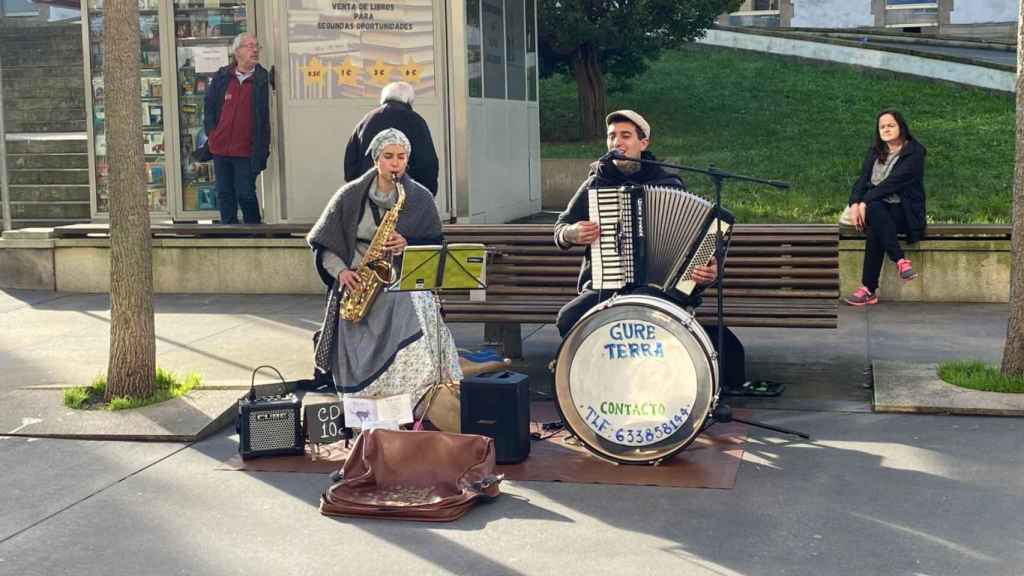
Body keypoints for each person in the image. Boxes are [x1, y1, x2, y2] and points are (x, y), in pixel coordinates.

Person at [553, 110, 751, 392]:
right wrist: (571, 233)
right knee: (568, 319)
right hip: (607, 286)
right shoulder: (596, 183)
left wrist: (709, 270)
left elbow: (701, 242)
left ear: (643, 143)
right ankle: (601, 379)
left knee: (643, 303)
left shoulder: (667, 183)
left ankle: (648, 384)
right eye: (611, 136)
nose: (616, 142)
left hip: (660, 289)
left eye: (625, 136)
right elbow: (560, 228)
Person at [307, 128, 462, 410]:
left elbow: (434, 244)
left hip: (401, 277)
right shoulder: (349, 196)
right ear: (376, 159)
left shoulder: (419, 197)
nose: (395, 163)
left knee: (412, 300)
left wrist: (408, 242)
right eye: (389, 156)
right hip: (357, 281)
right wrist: (341, 272)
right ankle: (370, 390)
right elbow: (324, 244)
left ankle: (419, 386)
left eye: (401, 157)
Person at [845, 109, 926, 306]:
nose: (886, 129)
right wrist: (855, 203)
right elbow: (862, 180)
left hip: (904, 212)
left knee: (874, 214)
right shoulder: (875, 151)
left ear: (901, 127)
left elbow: (894, 183)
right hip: (878, 211)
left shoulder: (914, 152)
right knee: (875, 224)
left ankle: (868, 288)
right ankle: (900, 262)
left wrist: (865, 202)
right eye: (882, 127)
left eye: (891, 125)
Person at [204, 33, 271, 224]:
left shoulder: (262, 79)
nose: (255, 49)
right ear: (237, 52)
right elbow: (208, 106)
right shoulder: (222, 76)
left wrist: (262, 149)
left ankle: (255, 235)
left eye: (256, 46)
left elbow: (266, 118)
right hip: (220, 148)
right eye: (249, 46)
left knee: (245, 193)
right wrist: (212, 134)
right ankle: (229, 235)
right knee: (224, 194)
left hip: (246, 150)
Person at [344, 81, 440, 196]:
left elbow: (350, 163)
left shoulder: (366, 120)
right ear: (409, 100)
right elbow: (427, 162)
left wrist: (358, 191)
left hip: (369, 194)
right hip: (407, 195)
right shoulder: (416, 121)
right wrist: (427, 194)